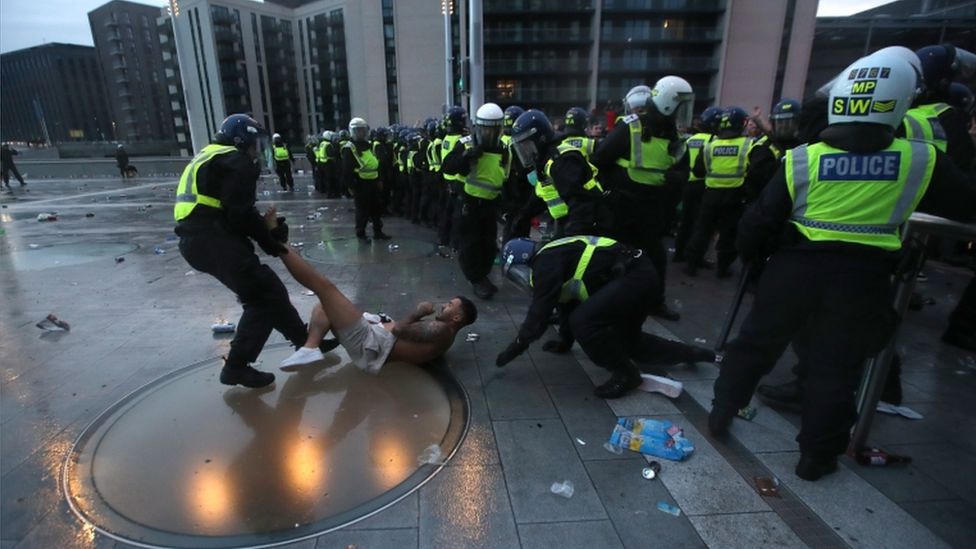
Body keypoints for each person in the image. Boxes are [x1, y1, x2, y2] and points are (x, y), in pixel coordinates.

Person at [707, 51, 976, 481]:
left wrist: (754, 260)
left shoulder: (802, 158)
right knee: (836, 368)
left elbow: (758, 222)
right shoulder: (920, 159)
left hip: (794, 271)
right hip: (862, 279)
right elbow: (966, 204)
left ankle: (722, 411)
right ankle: (816, 457)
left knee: (755, 345)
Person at [174, 114, 324, 388]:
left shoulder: (211, 155)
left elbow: (231, 207)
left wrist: (266, 234)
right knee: (261, 297)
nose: (257, 150)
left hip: (198, 240)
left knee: (268, 288)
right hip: (212, 239)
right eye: (255, 143)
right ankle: (237, 367)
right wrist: (272, 241)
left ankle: (304, 343)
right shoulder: (237, 161)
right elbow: (239, 214)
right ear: (241, 139)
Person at [495, 237, 715, 399]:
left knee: (583, 321)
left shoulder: (545, 262)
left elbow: (539, 314)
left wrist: (514, 348)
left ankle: (627, 375)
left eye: (517, 273)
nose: (522, 279)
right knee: (628, 342)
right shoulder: (555, 254)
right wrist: (565, 341)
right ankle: (693, 354)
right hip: (638, 275)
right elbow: (566, 303)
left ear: (525, 260)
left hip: (633, 277)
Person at [264, 209, 478, 372]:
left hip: (369, 343)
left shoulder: (441, 331)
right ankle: (310, 348)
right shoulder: (445, 338)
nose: (444, 305)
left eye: (450, 305)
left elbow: (399, 331)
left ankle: (276, 240)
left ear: (457, 317)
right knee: (324, 306)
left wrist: (420, 312)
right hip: (372, 344)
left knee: (324, 287)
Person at [590, 78, 696, 321]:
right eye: (682, 105)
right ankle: (602, 303)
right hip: (622, 208)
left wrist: (676, 179)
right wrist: (608, 193)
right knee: (610, 258)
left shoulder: (675, 138)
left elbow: (684, 170)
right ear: (669, 103)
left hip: (652, 209)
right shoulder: (630, 127)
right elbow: (599, 160)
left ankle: (655, 302)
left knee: (656, 258)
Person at [441, 102, 510, 299]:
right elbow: (448, 166)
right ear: (478, 127)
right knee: (470, 244)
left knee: (488, 245)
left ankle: (482, 276)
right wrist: (465, 157)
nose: (489, 134)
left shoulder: (504, 148)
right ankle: (476, 279)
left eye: (493, 129)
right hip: (469, 203)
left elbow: (504, 176)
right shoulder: (466, 144)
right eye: (485, 129)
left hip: (490, 205)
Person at [510, 109, 607, 239]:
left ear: (541, 139)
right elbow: (541, 195)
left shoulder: (561, 160)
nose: (525, 151)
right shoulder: (544, 161)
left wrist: (570, 239)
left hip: (589, 224)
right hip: (568, 222)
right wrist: (520, 219)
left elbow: (580, 203)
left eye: (527, 145)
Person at [684, 107, 752, 278]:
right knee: (728, 234)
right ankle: (722, 268)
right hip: (735, 195)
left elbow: (699, 171)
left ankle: (692, 264)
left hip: (710, 195)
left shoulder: (710, 146)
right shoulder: (748, 145)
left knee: (702, 230)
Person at [673, 106, 721, 262]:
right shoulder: (714, 141)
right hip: (704, 185)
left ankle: (678, 253)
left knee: (685, 221)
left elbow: (682, 163)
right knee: (700, 224)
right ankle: (694, 257)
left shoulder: (690, 139)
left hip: (688, 184)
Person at [342, 117, 391, 241]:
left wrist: (379, 180)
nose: (361, 133)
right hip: (360, 183)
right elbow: (347, 170)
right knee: (362, 211)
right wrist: (351, 186)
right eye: (358, 130)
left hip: (373, 181)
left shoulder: (369, 145)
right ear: (353, 131)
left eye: (363, 130)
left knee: (376, 209)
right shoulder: (350, 148)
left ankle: (378, 232)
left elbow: (375, 163)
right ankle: (361, 234)